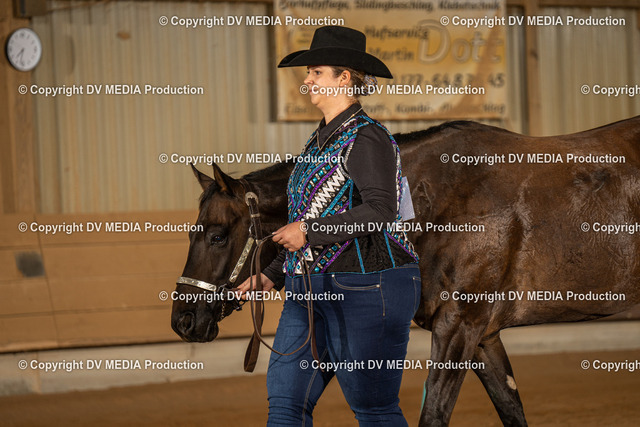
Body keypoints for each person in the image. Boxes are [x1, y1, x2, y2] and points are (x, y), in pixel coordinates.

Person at [236, 26, 420, 426]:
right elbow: (309, 212)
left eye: (316, 72)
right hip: (308, 286)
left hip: (367, 286)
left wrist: (308, 231)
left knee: (373, 408)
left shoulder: (367, 138)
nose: (308, 80)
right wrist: (271, 275)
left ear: (344, 78)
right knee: (285, 400)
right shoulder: (318, 142)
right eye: (309, 72)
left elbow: (381, 210)